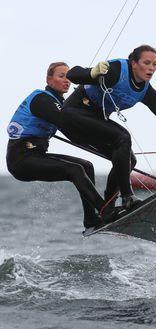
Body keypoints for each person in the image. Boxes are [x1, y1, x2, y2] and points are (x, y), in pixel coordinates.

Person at [59, 44, 156, 211]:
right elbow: (72, 74)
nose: (151, 68)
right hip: (72, 115)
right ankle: (128, 197)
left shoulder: (146, 91)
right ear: (133, 63)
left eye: (154, 64)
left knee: (129, 160)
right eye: (147, 63)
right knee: (122, 137)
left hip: (93, 124)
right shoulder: (116, 70)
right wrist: (92, 72)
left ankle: (108, 207)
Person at [6, 62, 112, 229]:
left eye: (68, 77)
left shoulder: (57, 103)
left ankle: (91, 219)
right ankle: (106, 211)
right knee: (75, 170)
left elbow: (73, 133)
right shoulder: (41, 99)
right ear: (49, 79)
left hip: (37, 155)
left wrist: (108, 149)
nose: (67, 80)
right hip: (20, 159)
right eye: (61, 76)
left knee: (86, 166)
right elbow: (65, 122)